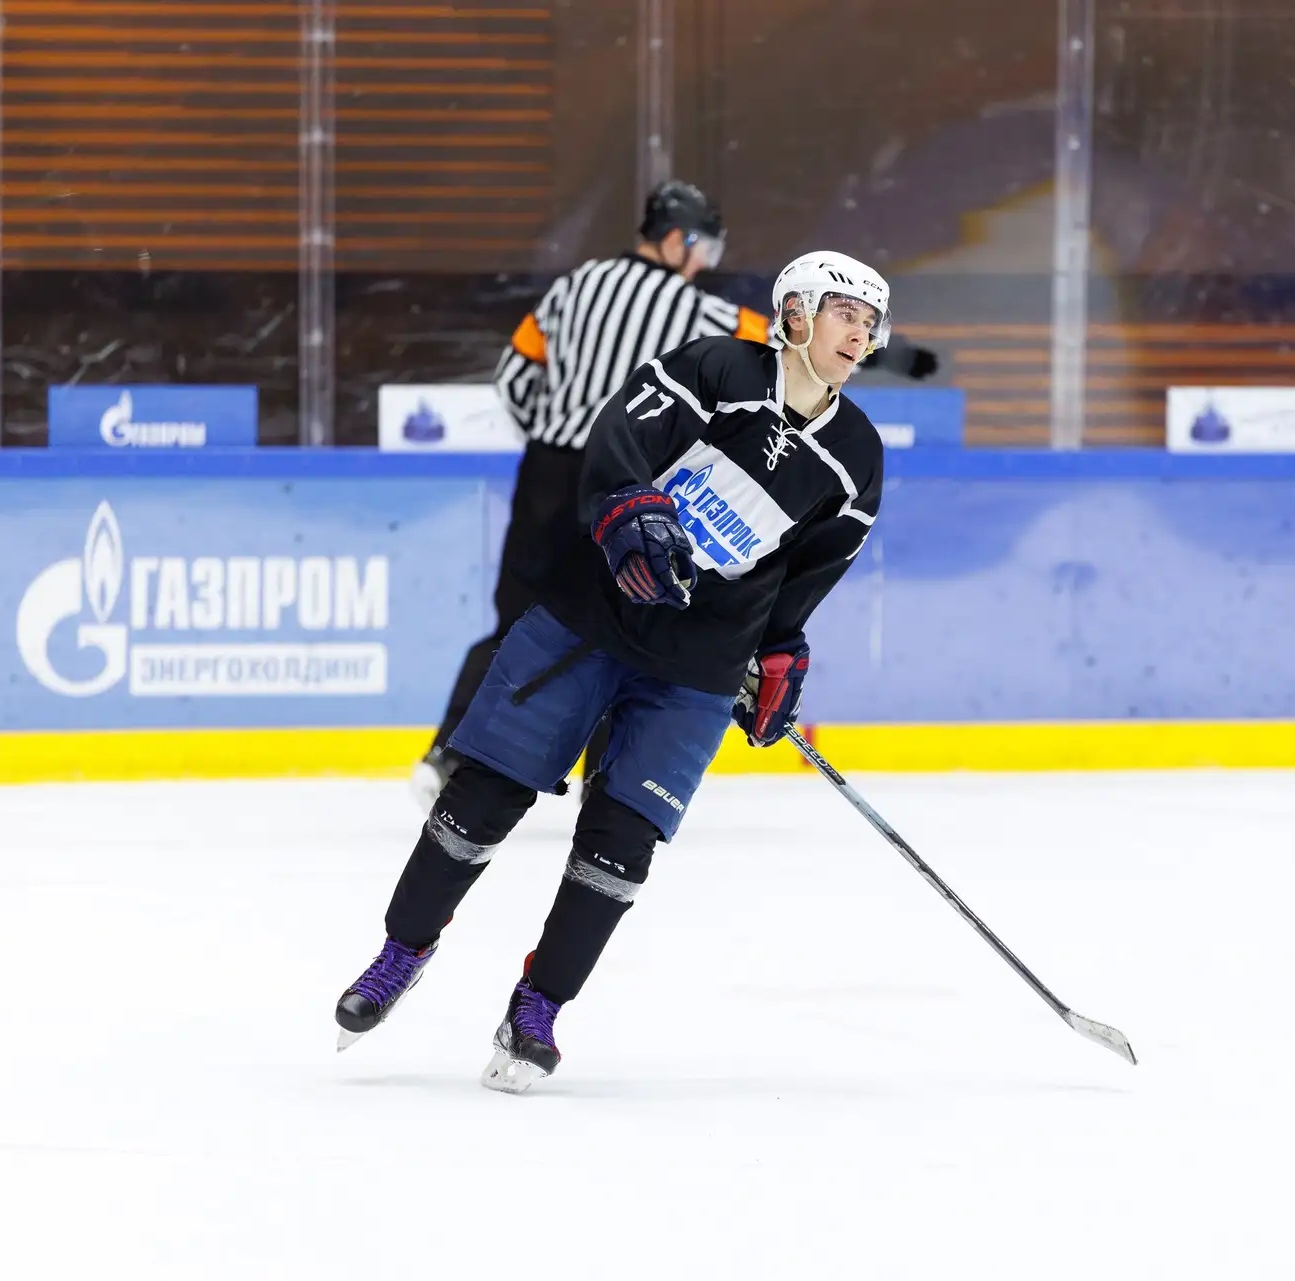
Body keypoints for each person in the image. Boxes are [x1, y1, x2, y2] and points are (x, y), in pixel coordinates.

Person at [337, 250, 894, 1094]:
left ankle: (537, 1009)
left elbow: (809, 572)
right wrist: (628, 505)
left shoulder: (857, 453)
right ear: (795, 313)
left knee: (621, 846)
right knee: (480, 796)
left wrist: (779, 652)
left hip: (698, 663)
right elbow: (618, 441)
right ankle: (400, 953)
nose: (858, 332)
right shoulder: (717, 369)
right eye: (844, 312)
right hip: (591, 614)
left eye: (869, 321)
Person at [414, 183, 938, 809]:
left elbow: (515, 375)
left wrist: (553, 435)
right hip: (641, 473)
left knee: (530, 617)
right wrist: (905, 359)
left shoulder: (575, 285)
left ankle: (452, 756)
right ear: (674, 241)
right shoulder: (698, 311)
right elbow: (787, 347)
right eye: (702, 249)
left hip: (549, 473)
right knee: (632, 615)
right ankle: (606, 785)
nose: (703, 263)